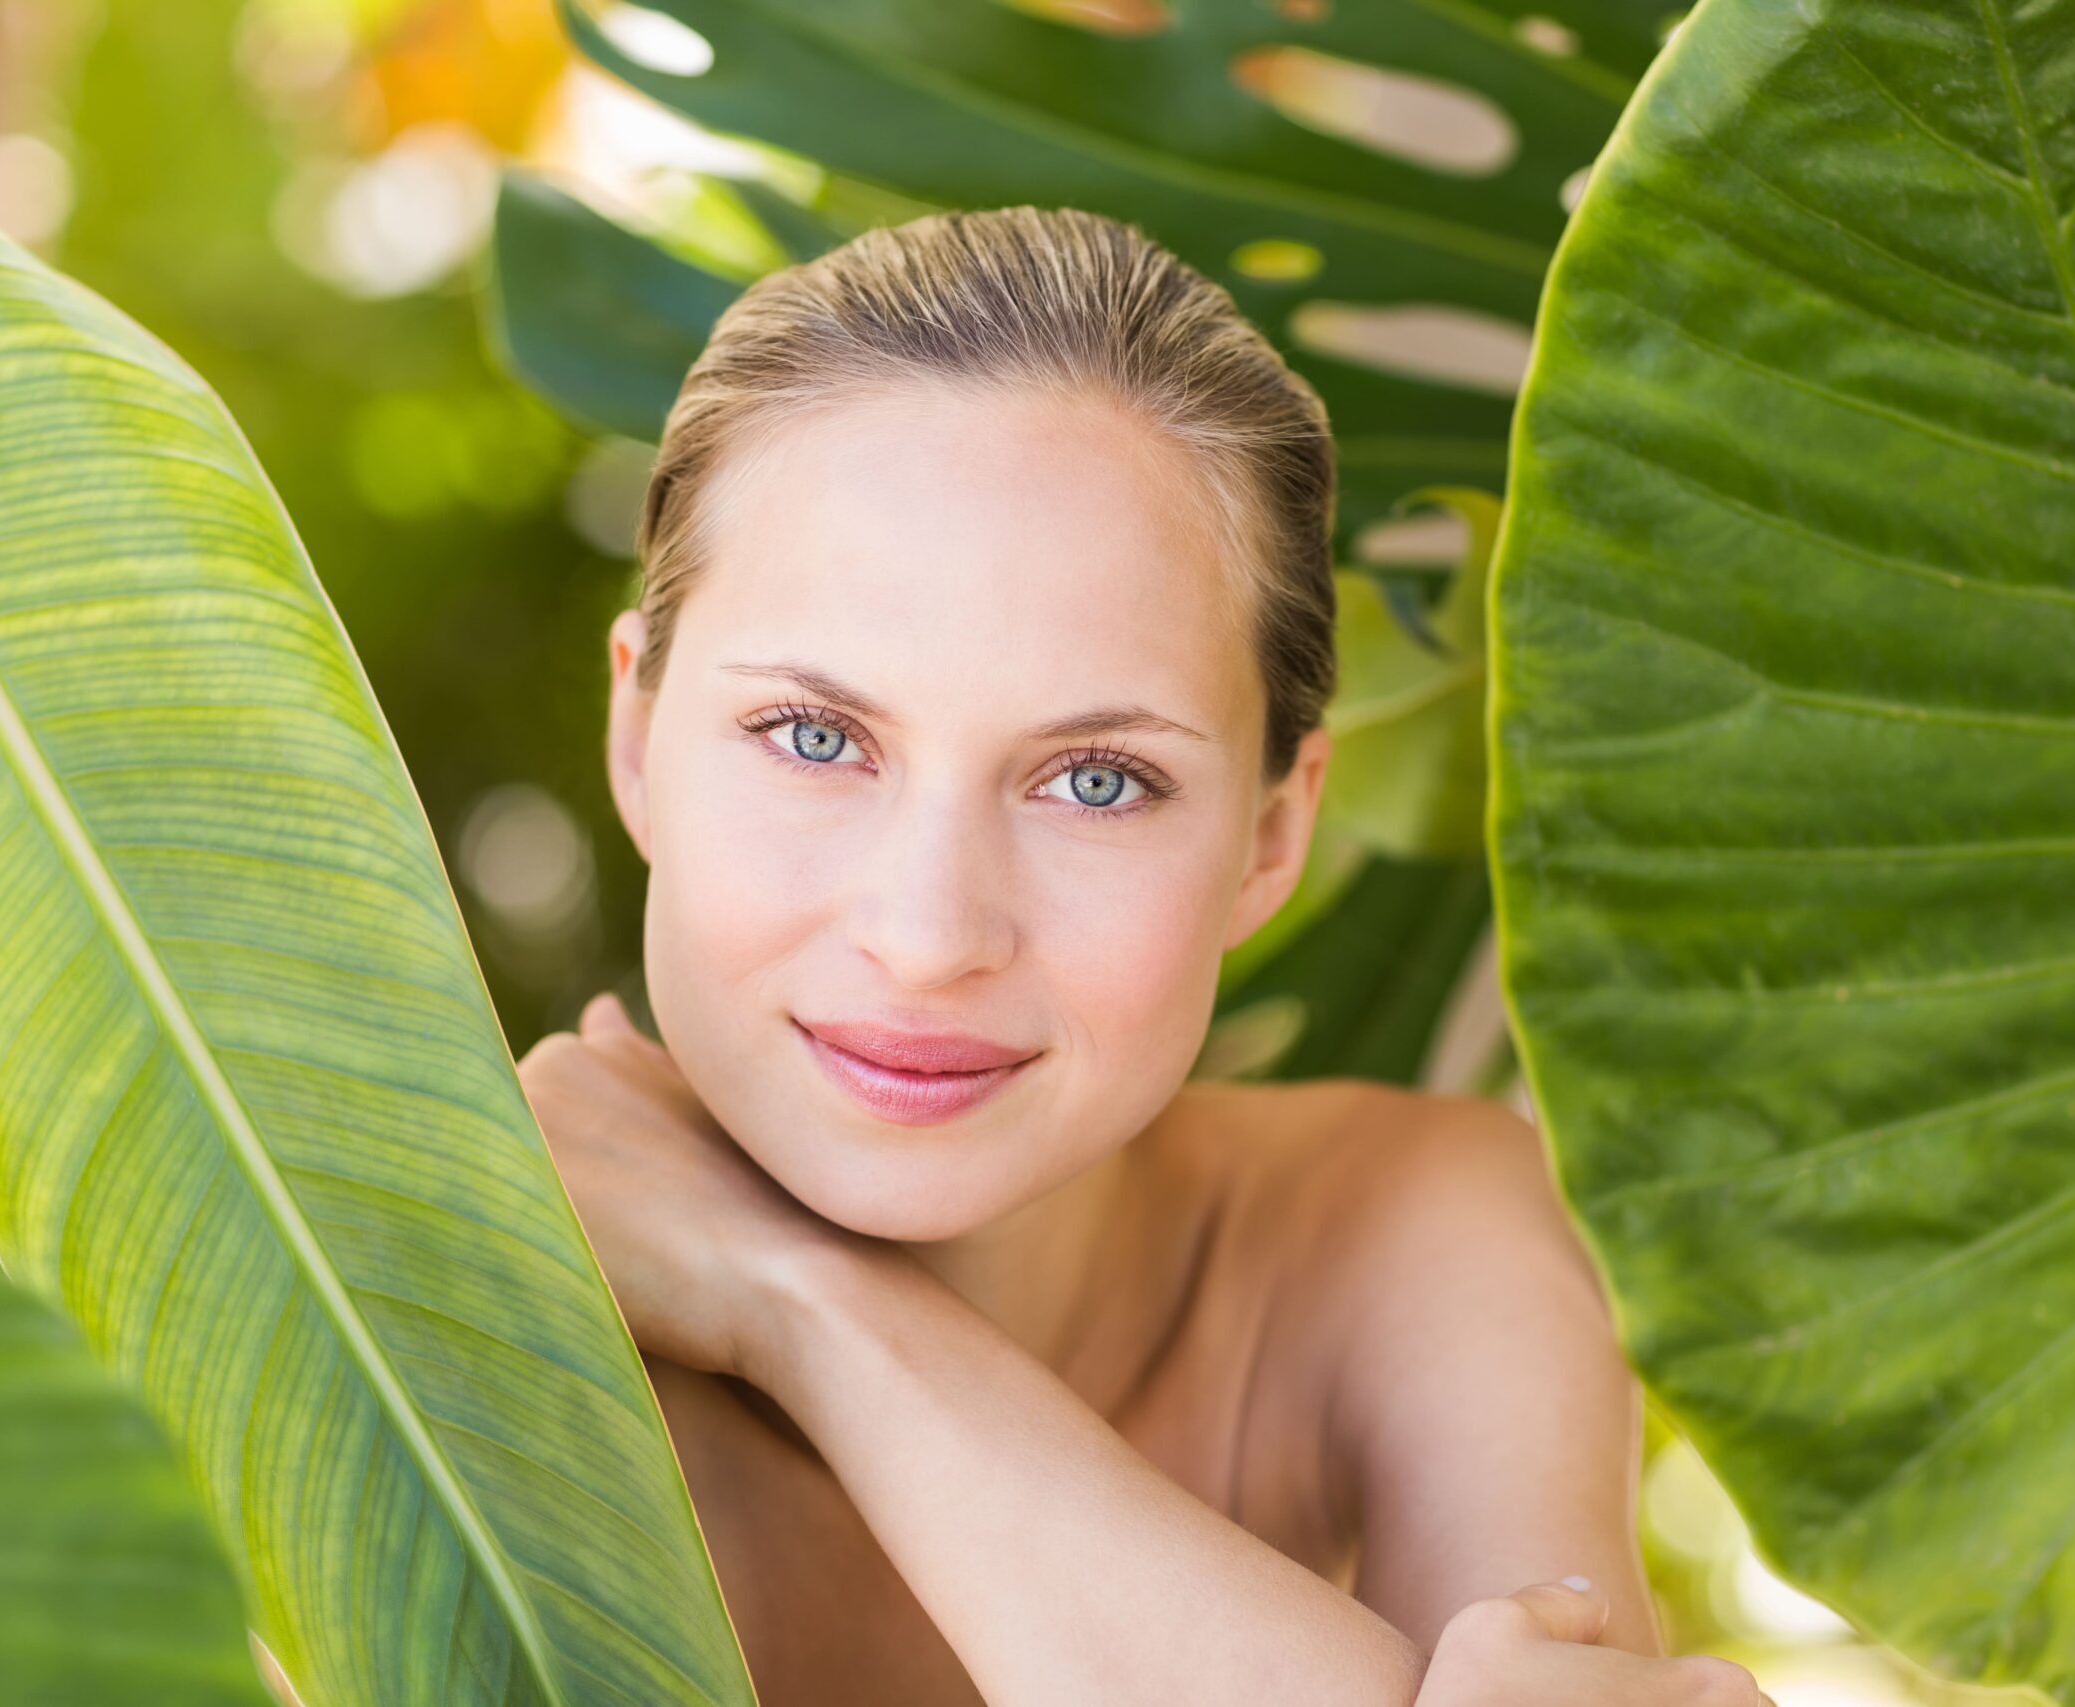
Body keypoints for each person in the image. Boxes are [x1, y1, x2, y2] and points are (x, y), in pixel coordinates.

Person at [515, 204, 1770, 1707]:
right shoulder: (406, 1313)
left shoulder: (1403, 1233)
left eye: (1096, 780)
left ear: (1268, 834)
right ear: (639, 738)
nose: (926, 940)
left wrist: (810, 1307)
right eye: (815, 737)